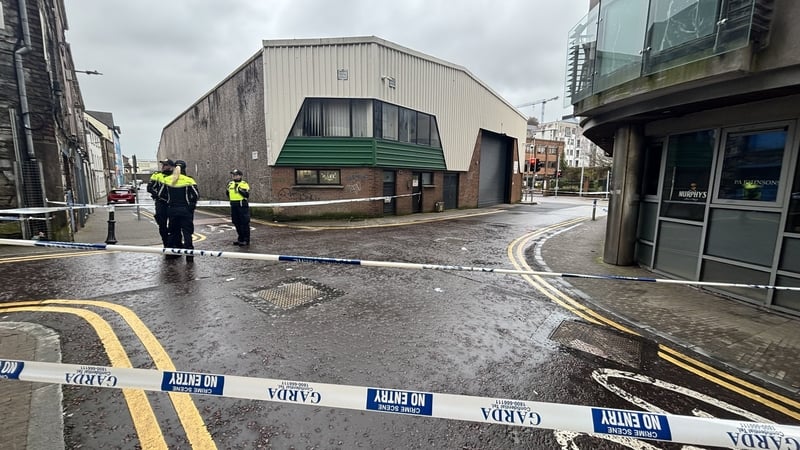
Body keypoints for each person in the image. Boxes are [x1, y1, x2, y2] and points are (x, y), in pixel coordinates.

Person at [158, 159, 199, 261]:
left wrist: (169, 202)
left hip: (172, 210)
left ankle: (170, 254)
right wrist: (190, 205)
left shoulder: (168, 180)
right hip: (185, 210)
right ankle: (189, 257)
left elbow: (160, 195)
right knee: (187, 233)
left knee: (173, 232)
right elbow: (196, 195)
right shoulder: (189, 180)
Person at [146, 159, 175, 247]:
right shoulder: (157, 175)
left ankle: (174, 243)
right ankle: (166, 244)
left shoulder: (176, 176)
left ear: (171, 167)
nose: (162, 167)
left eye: (165, 165)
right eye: (162, 165)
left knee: (174, 225)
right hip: (161, 204)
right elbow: (149, 188)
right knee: (162, 225)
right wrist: (158, 196)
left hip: (172, 204)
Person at [226, 169, 250, 246]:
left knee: (244, 223)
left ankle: (246, 240)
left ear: (240, 176)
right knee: (236, 222)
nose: (234, 176)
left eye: (236, 175)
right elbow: (227, 193)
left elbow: (246, 195)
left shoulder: (244, 184)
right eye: (233, 175)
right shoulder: (230, 184)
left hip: (242, 205)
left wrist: (239, 190)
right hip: (234, 205)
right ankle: (240, 239)